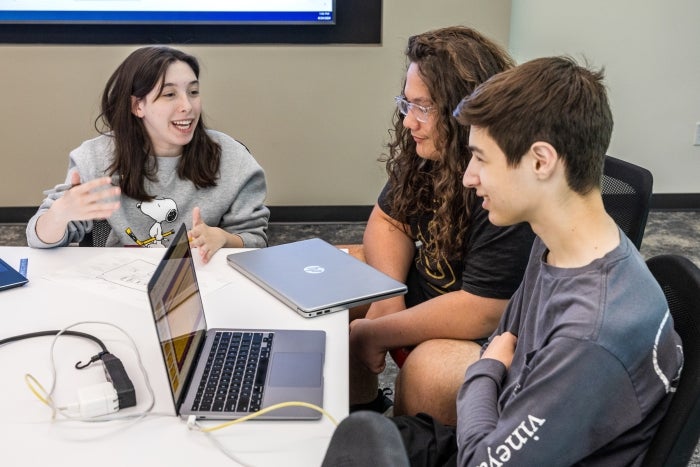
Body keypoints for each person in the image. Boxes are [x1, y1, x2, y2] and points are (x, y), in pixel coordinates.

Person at [326, 56, 684, 466]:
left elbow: (482, 457)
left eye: (481, 158)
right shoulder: (559, 243)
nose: (468, 176)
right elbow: (505, 344)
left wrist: (486, 371)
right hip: (503, 416)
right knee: (341, 441)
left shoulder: (589, 336)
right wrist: (493, 366)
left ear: (540, 161)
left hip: (491, 444)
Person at [348, 26, 535, 425]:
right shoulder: (427, 151)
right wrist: (389, 295)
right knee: (332, 276)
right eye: (407, 104)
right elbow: (388, 220)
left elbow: (483, 309)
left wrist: (379, 331)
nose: (409, 122)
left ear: (462, 111)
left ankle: (408, 445)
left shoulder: (501, 177)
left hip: (485, 330)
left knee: (432, 371)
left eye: (423, 108)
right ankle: (363, 413)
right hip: (430, 293)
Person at [26, 46, 269, 262]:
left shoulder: (231, 158)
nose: (187, 106)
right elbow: (38, 239)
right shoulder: (95, 157)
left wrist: (223, 238)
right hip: (113, 287)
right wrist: (60, 214)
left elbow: (255, 240)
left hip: (198, 284)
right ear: (137, 106)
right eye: (169, 94)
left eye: (193, 92)